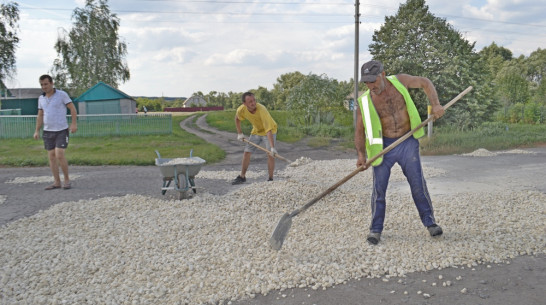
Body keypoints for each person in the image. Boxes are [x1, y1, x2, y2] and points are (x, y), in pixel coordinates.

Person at [354, 60, 445, 245]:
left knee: (417, 183)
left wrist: (435, 104)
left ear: (383, 74)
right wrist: (361, 155)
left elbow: (425, 82)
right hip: (382, 148)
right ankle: (375, 230)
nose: (371, 86)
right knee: (379, 190)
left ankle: (430, 223)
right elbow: (359, 130)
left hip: (407, 141)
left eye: (374, 81)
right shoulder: (364, 101)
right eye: (367, 82)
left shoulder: (400, 81)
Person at [33, 74, 78, 190]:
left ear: (52, 83)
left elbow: (72, 109)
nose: (44, 86)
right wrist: (37, 130)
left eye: (46, 84)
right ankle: (57, 182)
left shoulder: (61, 95)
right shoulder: (41, 98)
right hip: (48, 131)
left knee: (59, 154)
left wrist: (73, 124)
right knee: (52, 157)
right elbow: (40, 115)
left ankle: (66, 180)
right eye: (42, 85)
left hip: (61, 130)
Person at [232, 92, 278, 184]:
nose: (253, 103)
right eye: (250, 101)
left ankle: (270, 179)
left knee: (270, 154)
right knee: (246, 152)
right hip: (256, 131)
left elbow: (268, 129)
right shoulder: (241, 109)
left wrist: (272, 148)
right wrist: (240, 133)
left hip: (270, 131)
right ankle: (242, 177)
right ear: (244, 104)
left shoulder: (262, 109)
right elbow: (237, 119)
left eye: (254, 100)